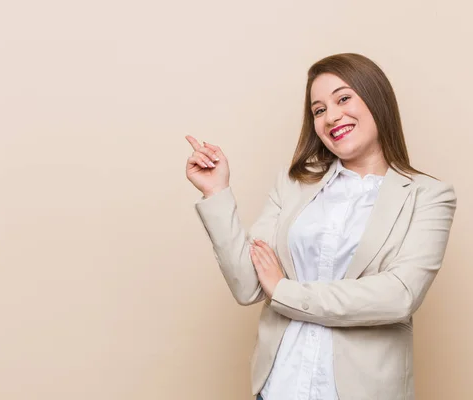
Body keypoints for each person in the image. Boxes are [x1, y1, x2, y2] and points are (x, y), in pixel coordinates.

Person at [184, 53, 457, 400]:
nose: (331, 116)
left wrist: (284, 291)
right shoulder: (294, 183)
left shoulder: (428, 196)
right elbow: (249, 286)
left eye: (343, 99)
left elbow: (398, 295)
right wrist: (216, 192)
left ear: (376, 100)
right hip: (280, 384)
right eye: (318, 109)